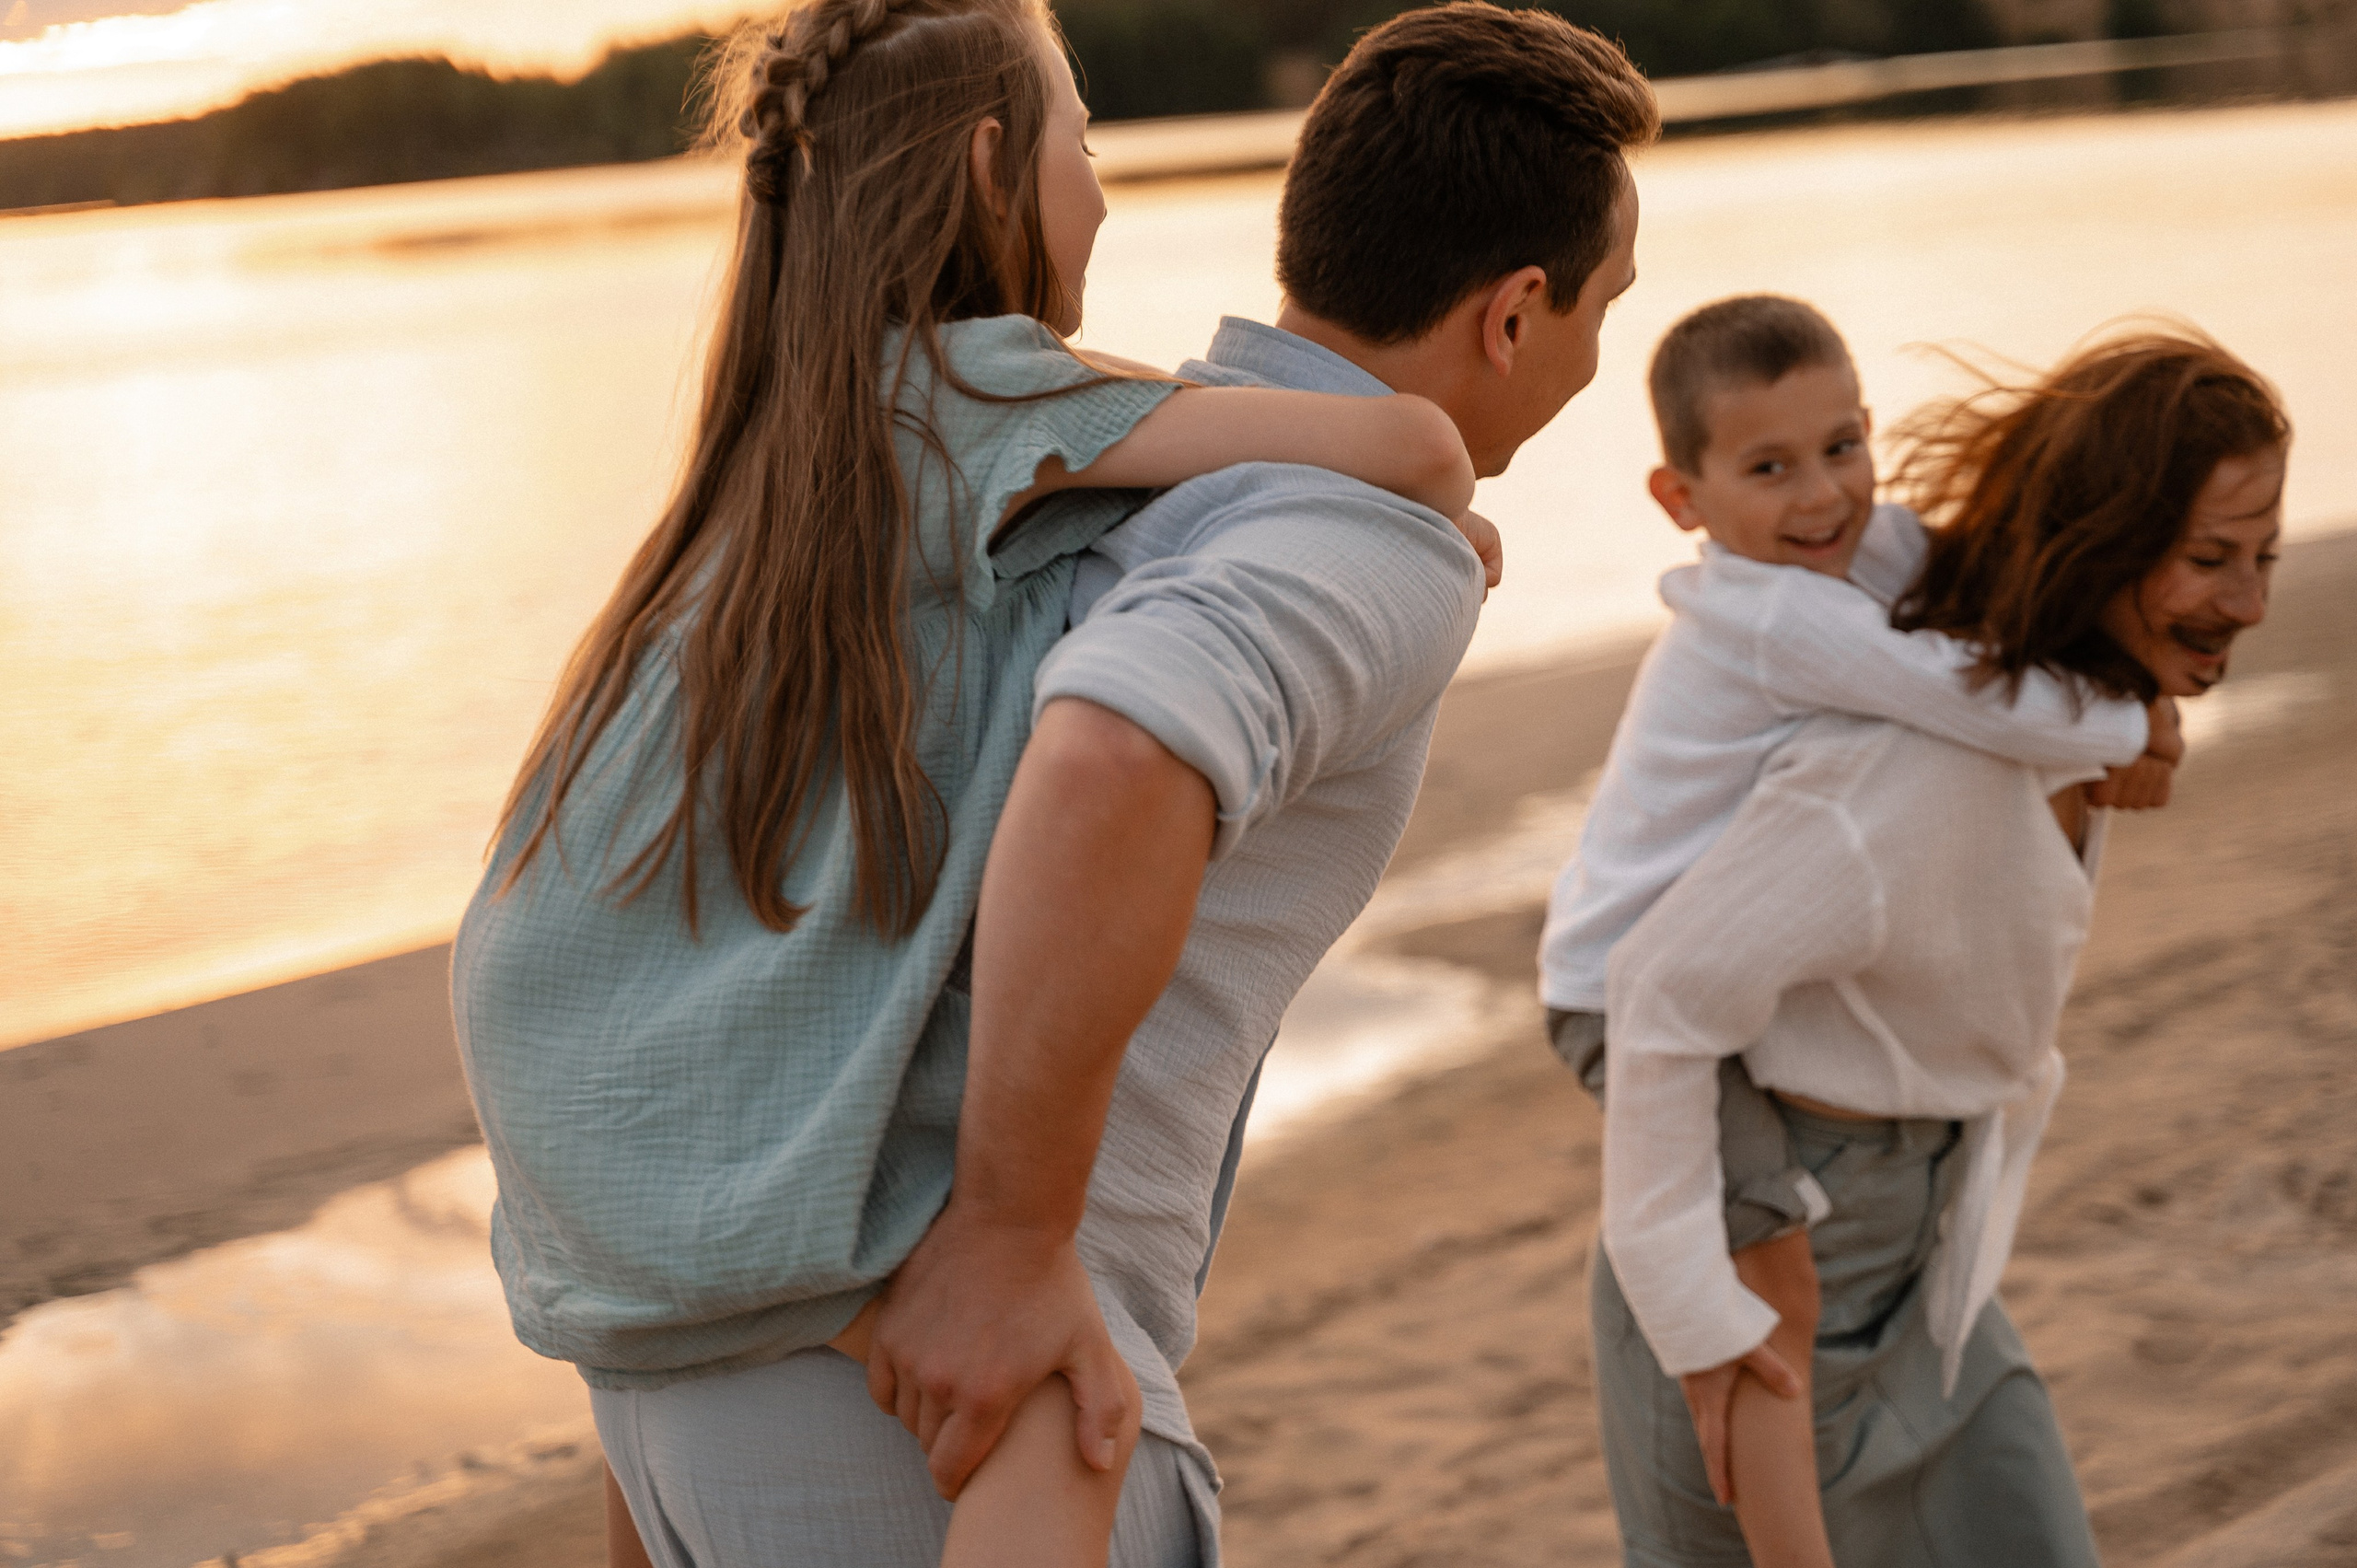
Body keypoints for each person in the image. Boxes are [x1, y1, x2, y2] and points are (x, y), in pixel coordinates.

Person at [575, 4, 1659, 1562]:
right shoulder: (1351, 538)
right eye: (1605, 308)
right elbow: (1114, 752)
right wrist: (1016, 1241)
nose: (1594, 354)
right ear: (1516, 313)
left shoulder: (992, 490)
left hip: (692, 1372)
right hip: (960, 1388)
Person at [1593, 327, 2288, 1566]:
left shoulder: (2051, 710)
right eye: (2209, 559)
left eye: (2265, 556)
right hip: (1769, 1249)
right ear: (2108, 546)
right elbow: (1651, 991)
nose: (2251, 601)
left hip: (1940, 1259)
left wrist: (2135, 724)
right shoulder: (1904, 755)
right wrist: (1695, 1306)